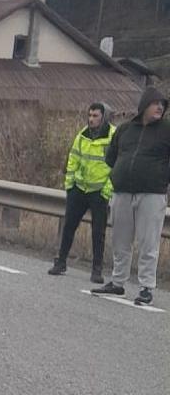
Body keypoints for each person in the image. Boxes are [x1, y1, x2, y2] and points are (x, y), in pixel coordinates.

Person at [92, 88, 170, 306]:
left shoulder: (166, 129)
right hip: (123, 191)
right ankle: (118, 283)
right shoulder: (125, 129)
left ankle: (146, 287)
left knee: (148, 242)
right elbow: (112, 157)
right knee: (120, 240)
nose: (160, 108)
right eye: (156, 103)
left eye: (163, 105)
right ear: (144, 105)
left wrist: (162, 176)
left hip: (152, 194)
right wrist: (120, 173)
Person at [48, 103, 115, 283]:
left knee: (98, 232)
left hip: (99, 190)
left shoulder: (113, 136)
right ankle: (60, 262)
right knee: (69, 226)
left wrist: (107, 190)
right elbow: (73, 158)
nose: (91, 119)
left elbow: (117, 165)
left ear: (104, 117)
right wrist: (69, 185)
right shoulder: (83, 134)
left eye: (95, 116)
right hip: (79, 187)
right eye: (90, 115)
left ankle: (97, 270)